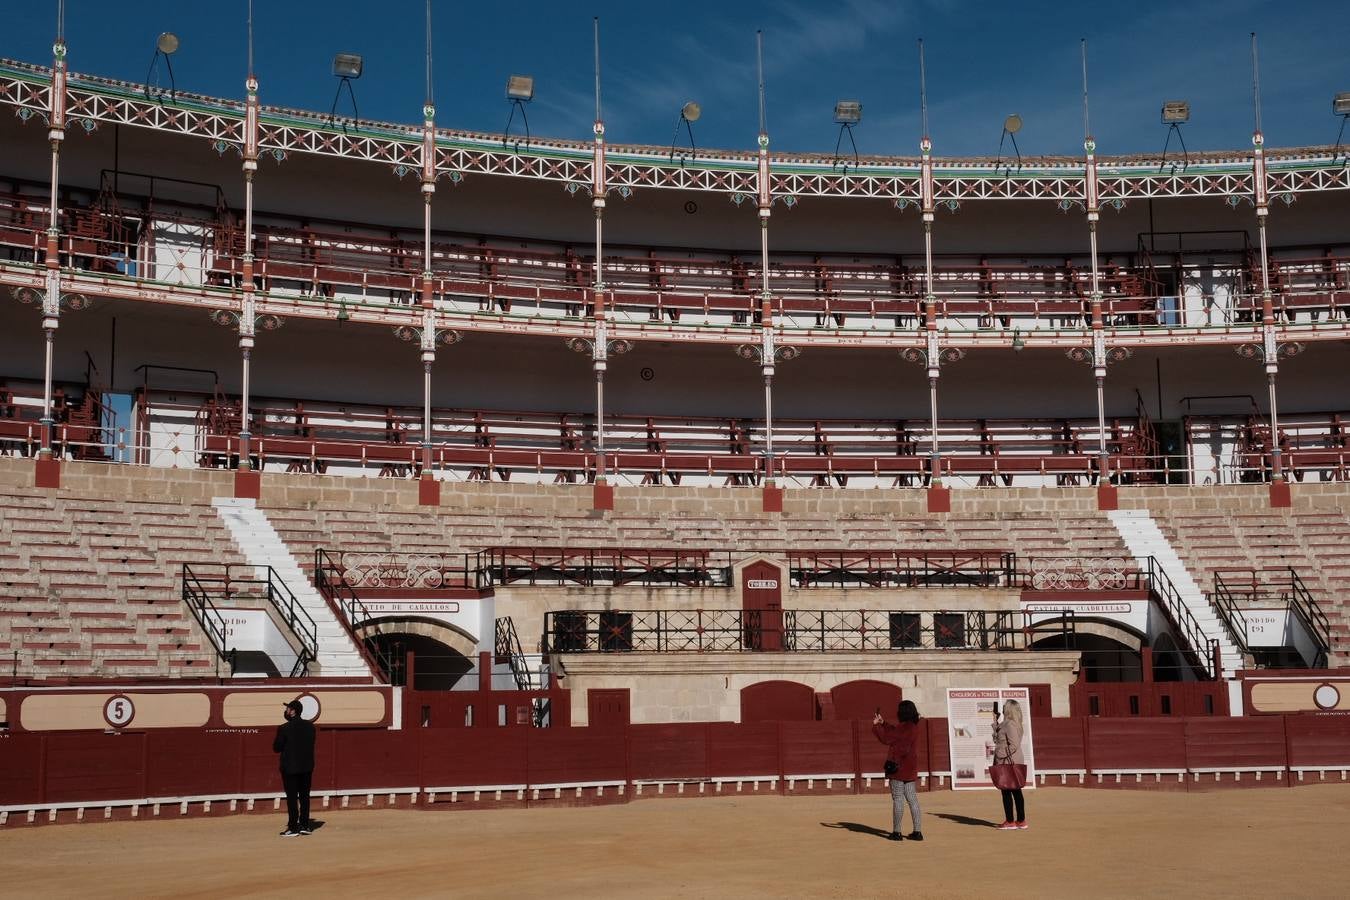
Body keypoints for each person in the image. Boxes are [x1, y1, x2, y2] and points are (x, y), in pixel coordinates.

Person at [872, 699, 923, 842]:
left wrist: (876, 727)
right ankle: (917, 831)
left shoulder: (903, 728)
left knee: (898, 799)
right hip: (910, 767)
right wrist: (883, 723)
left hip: (898, 768)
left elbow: (887, 738)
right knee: (912, 799)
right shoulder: (913, 726)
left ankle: (897, 832)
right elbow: (895, 732)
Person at [274, 699, 317, 837]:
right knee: (305, 796)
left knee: (292, 798)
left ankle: (293, 827)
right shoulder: (310, 727)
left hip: (290, 769)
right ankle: (305, 825)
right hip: (306, 768)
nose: (286, 711)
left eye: (288, 709)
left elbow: (276, 748)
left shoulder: (284, 728)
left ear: (293, 711)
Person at [992, 698, 1027, 831]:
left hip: (1007, 761)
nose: (1002, 708)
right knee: (1016, 791)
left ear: (1009, 710)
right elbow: (998, 739)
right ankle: (1020, 821)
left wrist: (1000, 754)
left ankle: (1010, 821)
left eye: (1005, 707)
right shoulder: (1011, 723)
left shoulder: (1010, 725)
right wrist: (995, 722)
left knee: (1006, 791)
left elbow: (1013, 745)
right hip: (1011, 760)